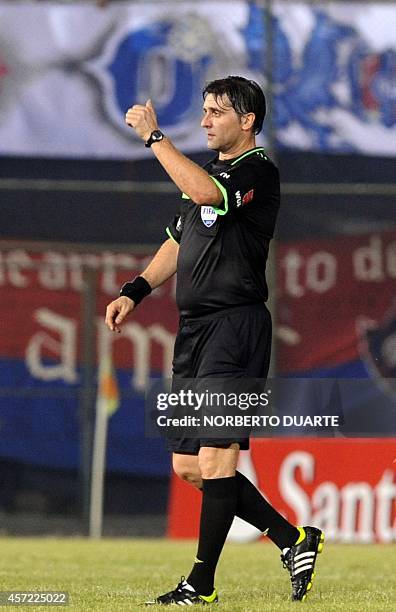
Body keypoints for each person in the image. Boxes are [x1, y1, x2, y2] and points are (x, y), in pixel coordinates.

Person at [105, 76, 324, 605]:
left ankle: (199, 584)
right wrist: (134, 291)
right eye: (203, 111)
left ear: (246, 121)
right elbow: (177, 243)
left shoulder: (257, 171)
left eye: (215, 112)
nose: (204, 120)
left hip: (235, 326)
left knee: (215, 460)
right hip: (196, 332)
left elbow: (207, 196)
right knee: (187, 466)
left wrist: (155, 138)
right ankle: (294, 538)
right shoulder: (206, 175)